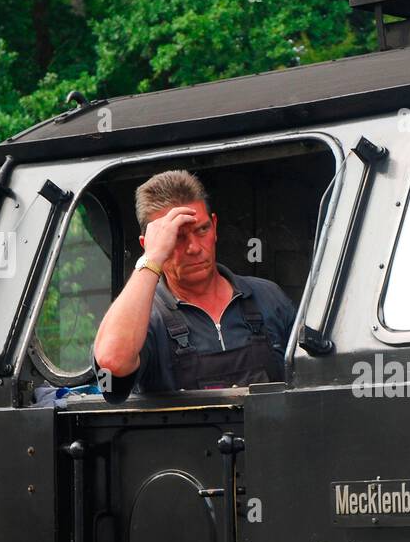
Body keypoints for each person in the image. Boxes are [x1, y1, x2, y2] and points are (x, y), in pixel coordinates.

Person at [92, 170, 296, 402]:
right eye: (177, 237)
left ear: (215, 226)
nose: (194, 248)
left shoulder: (267, 297)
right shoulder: (146, 319)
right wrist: (152, 259)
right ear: (148, 244)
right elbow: (111, 364)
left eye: (202, 230)